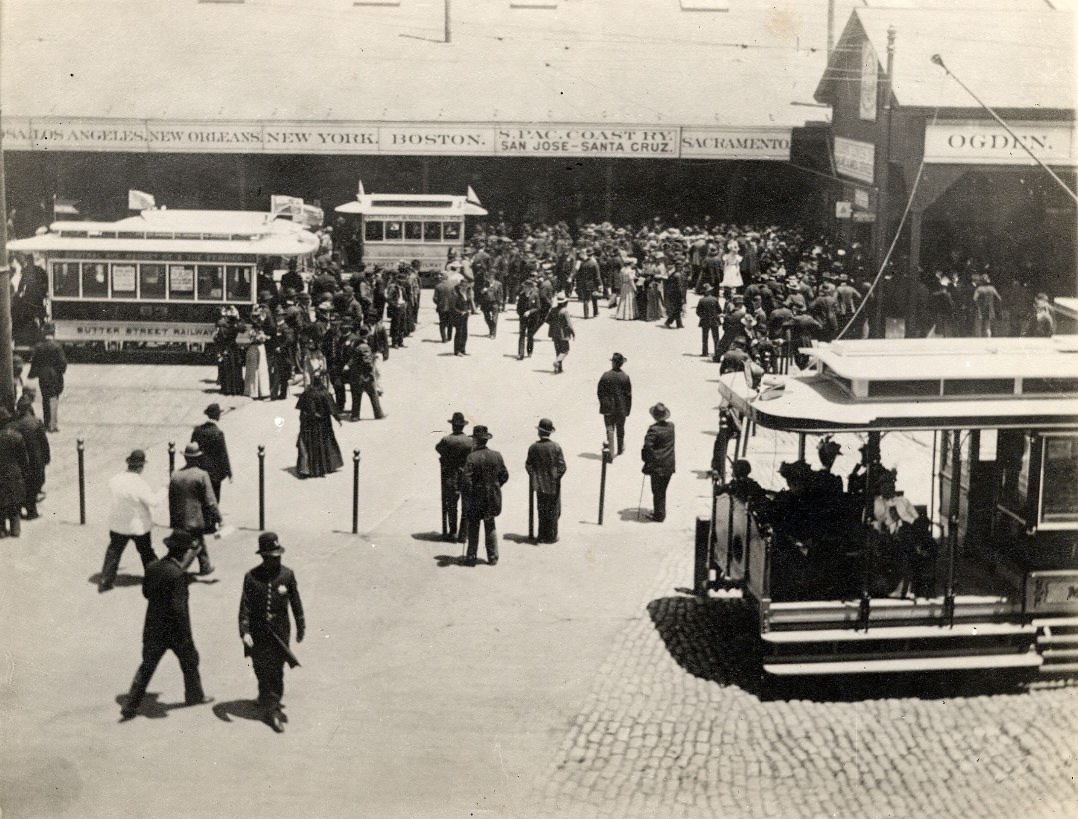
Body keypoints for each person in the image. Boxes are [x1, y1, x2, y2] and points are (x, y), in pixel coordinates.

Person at [120, 529, 213, 720]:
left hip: (153, 627)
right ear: (183, 551)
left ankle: (130, 705)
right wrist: (187, 635)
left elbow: (146, 593)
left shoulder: (153, 567)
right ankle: (195, 696)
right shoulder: (178, 574)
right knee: (190, 661)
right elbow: (180, 608)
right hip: (175, 630)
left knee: (147, 665)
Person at [239, 532, 305, 734]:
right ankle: (265, 696)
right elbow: (245, 607)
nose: (276, 559)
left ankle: (273, 709)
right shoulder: (251, 577)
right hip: (258, 632)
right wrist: (245, 631)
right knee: (260, 667)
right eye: (271, 556)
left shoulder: (287, 574)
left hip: (279, 631)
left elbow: (295, 602)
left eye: (278, 555)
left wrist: (301, 625)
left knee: (276, 669)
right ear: (263, 556)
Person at [99, 449, 159, 592]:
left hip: (118, 524)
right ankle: (156, 578)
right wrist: (164, 489)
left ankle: (105, 580)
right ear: (141, 466)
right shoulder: (140, 483)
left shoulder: (114, 480)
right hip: (138, 526)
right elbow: (153, 502)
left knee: (114, 550)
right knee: (146, 552)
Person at [168, 443, 220, 577]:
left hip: (179, 518)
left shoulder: (175, 475)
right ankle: (177, 571)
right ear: (198, 458)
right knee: (195, 544)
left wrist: (173, 519)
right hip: (196, 519)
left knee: (197, 540)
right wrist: (219, 518)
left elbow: (171, 499)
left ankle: (205, 566)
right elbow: (211, 501)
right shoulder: (202, 475)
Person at [461, 425, 509, 566]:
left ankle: (471, 557)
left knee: (474, 528)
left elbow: (466, 481)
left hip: (476, 499)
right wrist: (495, 486)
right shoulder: (497, 455)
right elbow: (504, 475)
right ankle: (493, 557)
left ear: (475, 440)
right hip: (492, 498)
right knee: (490, 526)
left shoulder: (471, 457)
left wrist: (468, 496)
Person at [525, 418, 567, 544]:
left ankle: (541, 535)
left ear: (539, 432)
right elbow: (562, 467)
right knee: (554, 510)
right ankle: (552, 536)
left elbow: (528, 465)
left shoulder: (533, 447)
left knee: (541, 509)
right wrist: (555, 477)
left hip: (539, 484)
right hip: (553, 485)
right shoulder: (556, 447)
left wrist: (534, 477)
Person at [436, 411, 474, 542]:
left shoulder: (446, 440)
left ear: (453, 426)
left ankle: (452, 531)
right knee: (466, 505)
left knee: (451, 505)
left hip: (450, 476)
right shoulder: (470, 441)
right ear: (463, 426)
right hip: (465, 475)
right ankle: (463, 535)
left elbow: (438, 448)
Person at [295, 375, 344, 478]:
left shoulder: (307, 393)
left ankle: (306, 469)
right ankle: (325, 467)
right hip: (323, 424)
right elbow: (332, 409)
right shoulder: (325, 394)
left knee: (307, 445)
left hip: (308, 424)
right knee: (324, 444)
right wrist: (338, 419)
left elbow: (301, 409)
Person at [12, 393, 49, 520]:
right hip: (37, 460)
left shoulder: (16, 424)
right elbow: (44, 443)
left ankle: (26, 510)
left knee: (26, 484)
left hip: (23, 460)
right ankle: (32, 511)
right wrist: (47, 457)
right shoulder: (36, 423)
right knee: (34, 485)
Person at [28, 324, 67, 432]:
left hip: (43, 376)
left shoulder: (39, 346)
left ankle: (46, 423)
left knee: (45, 399)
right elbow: (62, 363)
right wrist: (61, 371)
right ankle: (53, 425)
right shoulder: (57, 346)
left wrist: (33, 373)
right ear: (53, 333)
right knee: (54, 398)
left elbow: (34, 362)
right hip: (55, 375)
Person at [641, 402, 675, 522]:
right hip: (669, 465)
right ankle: (659, 512)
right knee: (662, 490)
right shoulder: (671, 426)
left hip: (657, 466)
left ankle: (659, 515)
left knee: (657, 491)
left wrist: (646, 461)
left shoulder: (653, 430)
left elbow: (647, 447)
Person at [191, 403, 232, 505]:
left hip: (199, 471)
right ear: (217, 416)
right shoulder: (218, 433)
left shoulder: (197, 430)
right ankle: (212, 520)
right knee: (214, 501)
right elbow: (223, 455)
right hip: (214, 475)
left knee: (201, 501)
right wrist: (229, 472)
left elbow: (191, 449)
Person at [344, 326, 385, 421]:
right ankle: (379, 414)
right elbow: (367, 363)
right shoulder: (364, 347)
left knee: (356, 397)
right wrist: (371, 372)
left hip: (355, 375)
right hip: (365, 376)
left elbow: (352, 358)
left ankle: (355, 416)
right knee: (373, 395)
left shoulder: (354, 344)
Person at [597, 352, 632, 460]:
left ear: (613, 363)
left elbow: (599, 392)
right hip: (621, 408)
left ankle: (610, 452)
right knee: (620, 429)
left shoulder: (605, 375)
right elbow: (628, 395)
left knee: (609, 429)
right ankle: (620, 449)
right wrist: (628, 410)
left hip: (608, 408)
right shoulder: (625, 377)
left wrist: (603, 403)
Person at [0, 409, 29, 538]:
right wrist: (24, 472)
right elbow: (24, 459)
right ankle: (15, 528)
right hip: (14, 472)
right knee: (14, 502)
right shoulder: (17, 436)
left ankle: (1, 529)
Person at [547, 293, 575, 374]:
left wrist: (554, 324)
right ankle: (557, 361)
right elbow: (569, 324)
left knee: (558, 351)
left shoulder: (553, 310)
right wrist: (573, 333)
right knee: (565, 350)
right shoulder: (565, 311)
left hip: (554, 333)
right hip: (563, 334)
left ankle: (558, 368)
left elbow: (547, 320)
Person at [696, 284, 721, 357]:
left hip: (704, 321)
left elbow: (698, 312)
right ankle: (717, 352)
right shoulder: (715, 299)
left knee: (705, 337)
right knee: (716, 337)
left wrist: (702, 316)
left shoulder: (701, 300)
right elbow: (719, 310)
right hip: (714, 320)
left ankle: (705, 352)